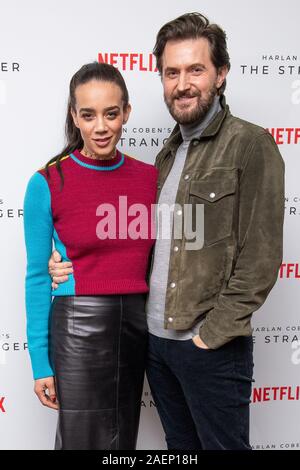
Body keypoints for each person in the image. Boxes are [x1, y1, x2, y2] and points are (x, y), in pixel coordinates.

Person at [49, 13, 285, 450]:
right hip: (155, 345)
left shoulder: (250, 145)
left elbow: (261, 259)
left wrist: (207, 338)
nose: (183, 83)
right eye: (171, 72)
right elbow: (139, 241)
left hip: (209, 349)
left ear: (221, 74)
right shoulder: (166, 155)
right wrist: (66, 260)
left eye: (196, 69)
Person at [23, 62, 158, 450]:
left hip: (136, 323)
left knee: (122, 443)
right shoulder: (47, 182)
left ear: (126, 113)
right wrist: (40, 363)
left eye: (111, 113)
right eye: (89, 114)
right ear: (74, 117)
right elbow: (36, 277)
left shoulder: (150, 179)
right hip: (77, 326)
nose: (101, 126)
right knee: (82, 443)